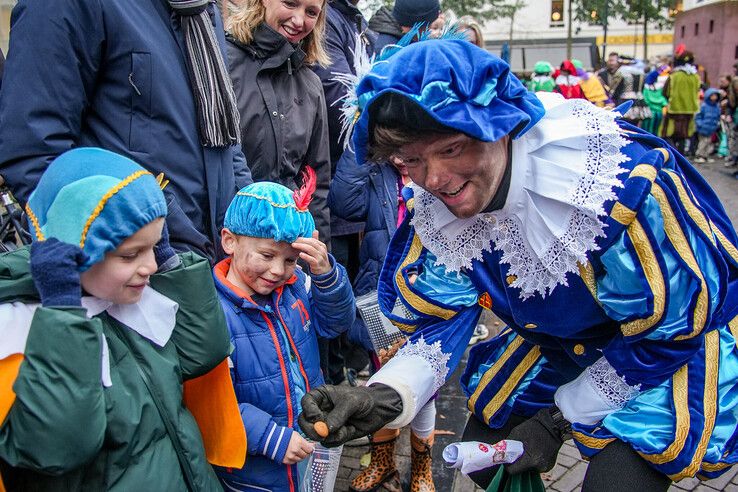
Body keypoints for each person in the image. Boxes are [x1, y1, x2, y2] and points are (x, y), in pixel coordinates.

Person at [298, 40, 738, 492]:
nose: (432, 180)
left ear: (502, 127)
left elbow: (670, 329)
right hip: (563, 343)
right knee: (485, 457)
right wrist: (385, 396)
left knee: (616, 483)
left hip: (667, 349)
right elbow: (441, 321)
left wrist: (556, 422)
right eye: (410, 160)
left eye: (451, 149)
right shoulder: (435, 213)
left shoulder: (608, 188)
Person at [0, 148, 246, 490]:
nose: (152, 266)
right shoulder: (18, 332)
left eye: (155, 246)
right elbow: (60, 446)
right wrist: (63, 316)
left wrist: (173, 267)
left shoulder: (128, 297)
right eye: (131, 254)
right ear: (77, 250)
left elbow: (204, 354)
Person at [0, 0, 252, 261]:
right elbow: (34, 149)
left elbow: (225, 143)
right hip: (130, 269)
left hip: (207, 264)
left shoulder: (202, 10)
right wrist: (122, 252)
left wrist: (253, 220)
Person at [213, 177, 356, 491]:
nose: (278, 270)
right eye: (266, 256)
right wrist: (270, 437)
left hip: (305, 443)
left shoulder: (296, 288)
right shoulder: (213, 314)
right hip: (255, 471)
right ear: (230, 241)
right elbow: (214, 403)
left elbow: (336, 323)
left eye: (290, 259)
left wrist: (326, 277)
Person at [329, 150, 438, 491]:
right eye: (394, 148)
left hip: (429, 296)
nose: (403, 157)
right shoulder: (378, 174)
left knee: (426, 384)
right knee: (383, 377)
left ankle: (422, 468)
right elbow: (343, 203)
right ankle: (383, 463)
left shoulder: (438, 174)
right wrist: (361, 144)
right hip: (384, 298)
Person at [225, 0, 332, 246]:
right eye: (290, 3)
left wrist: (319, 268)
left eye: (311, 12)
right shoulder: (222, 61)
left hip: (286, 250)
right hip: (228, 242)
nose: (298, 20)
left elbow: (317, 182)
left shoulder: (311, 86)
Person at [662, 51, 701, 155]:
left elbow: (665, 92)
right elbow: (698, 91)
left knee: (669, 135)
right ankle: (681, 156)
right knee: (684, 135)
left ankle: (673, 155)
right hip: (690, 110)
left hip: (674, 110)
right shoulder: (695, 77)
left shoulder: (674, 76)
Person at [368, 0, 440, 55]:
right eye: (430, 25)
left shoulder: (404, 39)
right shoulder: (387, 51)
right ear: (421, 26)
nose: (429, 30)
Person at [694, 89, 722, 163]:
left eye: (715, 95)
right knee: (703, 143)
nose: (714, 97)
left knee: (709, 143)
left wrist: (716, 124)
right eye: (712, 95)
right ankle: (700, 155)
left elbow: (718, 116)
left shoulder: (717, 107)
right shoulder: (704, 106)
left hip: (711, 129)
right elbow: (698, 116)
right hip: (703, 128)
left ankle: (706, 156)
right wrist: (700, 124)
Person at [642, 69, 669, 136]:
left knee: (646, 130)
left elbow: (645, 99)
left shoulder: (646, 88)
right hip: (659, 112)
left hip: (648, 112)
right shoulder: (660, 89)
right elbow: (664, 101)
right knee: (656, 131)